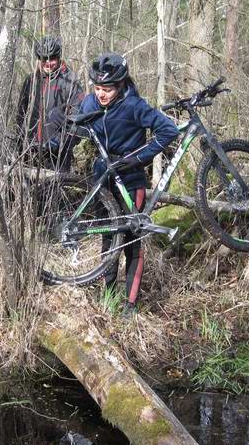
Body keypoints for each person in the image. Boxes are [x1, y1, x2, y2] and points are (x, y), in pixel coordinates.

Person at [79, 52, 179, 316]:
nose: (101, 94)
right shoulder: (90, 103)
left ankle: (130, 305)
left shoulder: (135, 106)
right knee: (107, 239)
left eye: (107, 89)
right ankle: (108, 296)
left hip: (131, 180)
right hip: (102, 179)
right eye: (98, 88)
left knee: (132, 243)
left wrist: (138, 159)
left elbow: (168, 131)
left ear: (121, 85)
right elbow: (76, 128)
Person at [15, 36, 84, 171]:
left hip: (57, 152)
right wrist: (20, 138)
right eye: (43, 59)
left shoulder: (70, 81)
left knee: (55, 189)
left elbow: (79, 118)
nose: (48, 63)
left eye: (51, 58)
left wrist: (61, 141)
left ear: (58, 57)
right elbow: (21, 113)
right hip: (30, 150)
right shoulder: (31, 80)